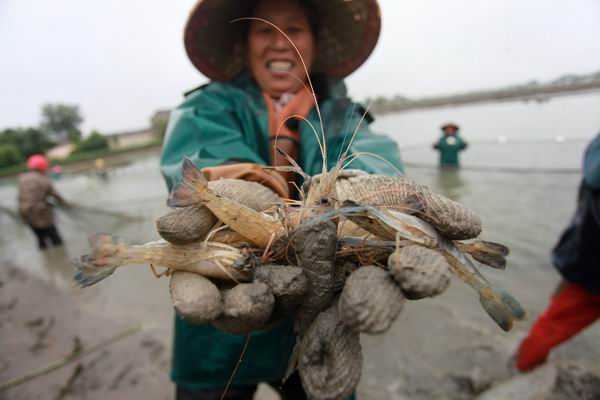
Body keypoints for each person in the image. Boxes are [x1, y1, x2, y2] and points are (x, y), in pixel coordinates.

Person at [160, 0, 404, 398]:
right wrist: (248, 184)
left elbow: (373, 159)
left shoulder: (340, 113)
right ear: (244, 43)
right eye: (264, 30)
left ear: (315, 42)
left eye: (295, 28)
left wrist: (374, 199)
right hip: (222, 307)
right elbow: (199, 163)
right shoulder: (206, 107)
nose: (281, 42)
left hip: (316, 315)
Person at [515, 133, 600, 372]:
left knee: (549, 326)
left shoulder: (593, 155)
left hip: (582, 266)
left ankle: (521, 369)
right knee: (550, 325)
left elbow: (581, 214)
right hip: (585, 271)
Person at [18, 154, 69, 250]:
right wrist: (68, 204)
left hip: (26, 215)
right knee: (56, 240)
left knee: (41, 240)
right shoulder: (44, 179)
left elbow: (22, 197)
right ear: (43, 167)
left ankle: (47, 261)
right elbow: (56, 196)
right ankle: (61, 261)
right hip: (42, 215)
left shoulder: (22, 178)